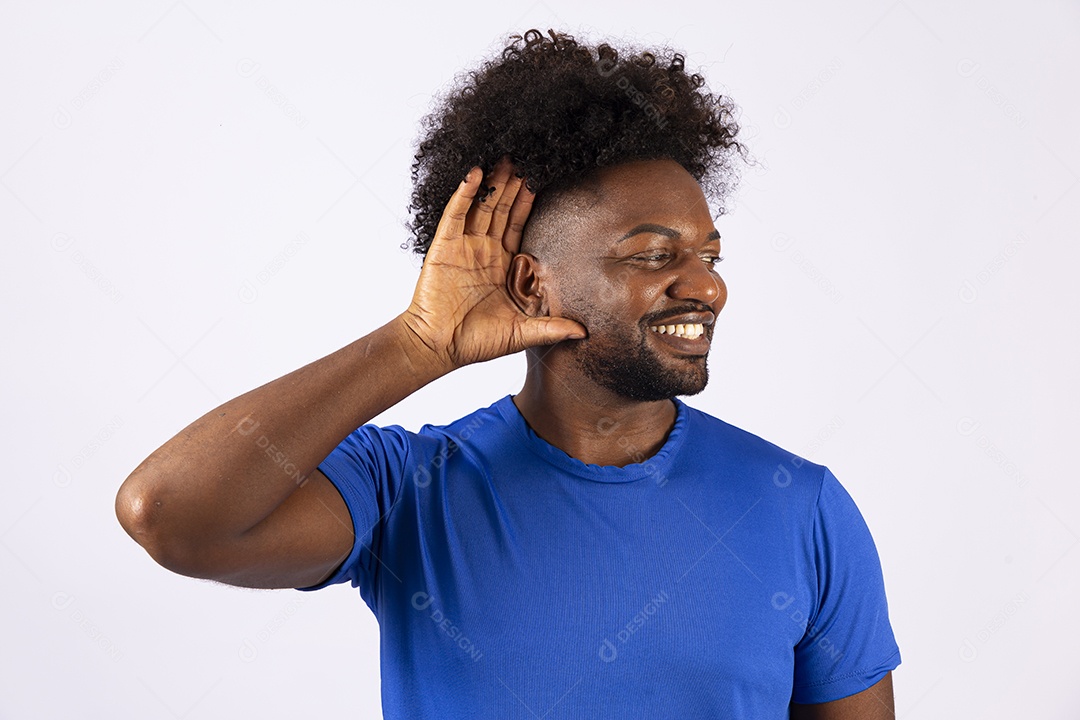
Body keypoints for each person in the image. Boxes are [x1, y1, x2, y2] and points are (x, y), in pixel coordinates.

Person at [116, 28, 900, 718]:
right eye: (656, 256)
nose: (706, 286)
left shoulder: (802, 508)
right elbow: (170, 515)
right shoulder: (404, 491)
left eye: (710, 255)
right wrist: (417, 343)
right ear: (531, 285)